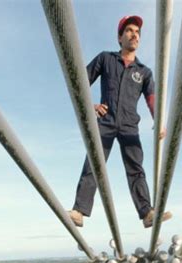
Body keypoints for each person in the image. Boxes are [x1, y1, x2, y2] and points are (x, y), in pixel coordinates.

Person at [69, 15, 172, 229]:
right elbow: (79, 81)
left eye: (137, 32)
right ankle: (79, 211)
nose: (134, 34)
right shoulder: (105, 59)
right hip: (105, 121)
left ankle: (147, 213)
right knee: (94, 164)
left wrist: (159, 121)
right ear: (119, 37)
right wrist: (91, 106)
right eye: (129, 30)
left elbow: (152, 98)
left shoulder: (144, 71)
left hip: (129, 125)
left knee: (136, 168)